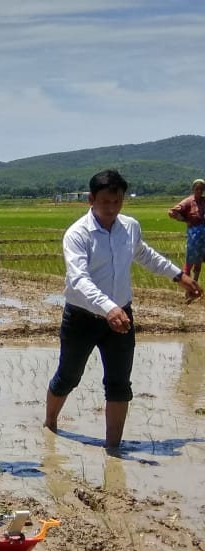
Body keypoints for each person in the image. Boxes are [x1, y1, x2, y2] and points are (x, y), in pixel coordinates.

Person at [44, 169, 203, 449]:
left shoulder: (129, 226)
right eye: (106, 202)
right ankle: (50, 424)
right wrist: (108, 308)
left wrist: (180, 276)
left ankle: (113, 449)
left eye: (117, 202)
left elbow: (145, 254)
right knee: (68, 376)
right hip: (82, 318)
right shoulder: (77, 234)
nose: (112, 208)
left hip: (121, 316)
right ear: (91, 199)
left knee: (119, 383)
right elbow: (79, 280)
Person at [167, 178, 205, 294]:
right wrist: (184, 220)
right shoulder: (188, 201)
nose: (199, 191)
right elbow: (172, 212)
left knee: (198, 261)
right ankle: (188, 289)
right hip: (193, 235)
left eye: (202, 189)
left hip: (203, 235)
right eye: (197, 189)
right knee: (190, 261)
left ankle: (195, 285)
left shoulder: (204, 201)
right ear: (193, 189)